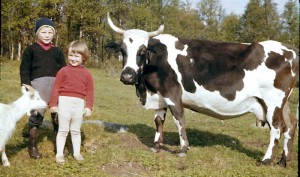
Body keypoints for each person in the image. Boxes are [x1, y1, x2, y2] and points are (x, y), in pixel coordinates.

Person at [20, 17, 66, 159]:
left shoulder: (57, 51)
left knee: (58, 115)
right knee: (36, 115)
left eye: (50, 32)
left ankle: (60, 145)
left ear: (54, 34)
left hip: (55, 87)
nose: (47, 35)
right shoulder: (31, 50)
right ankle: (32, 145)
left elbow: (64, 70)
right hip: (37, 88)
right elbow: (24, 69)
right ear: (37, 34)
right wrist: (27, 84)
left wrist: (65, 86)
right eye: (43, 32)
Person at [49, 40, 94, 164]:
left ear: (83, 57)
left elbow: (90, 91)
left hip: (79, 104)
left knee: (75, 130)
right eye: (70, 55)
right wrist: (53, 104)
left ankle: (77, 153)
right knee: (63, 130)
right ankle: (59, 154)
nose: (73, 59)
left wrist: (89, 106)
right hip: (64, 103)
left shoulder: (87, 74)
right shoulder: (63, 71)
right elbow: (56, 88)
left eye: (76, 56)